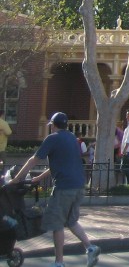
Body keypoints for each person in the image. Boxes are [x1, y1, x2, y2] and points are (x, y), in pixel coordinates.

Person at [9, 112, 100, 267]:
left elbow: (34, 159)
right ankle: (90, 247)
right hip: (79, 185)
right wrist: (38, 178)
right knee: (71, 221)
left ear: (53, 125)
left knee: (56, 224)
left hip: (64, 187)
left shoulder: (52, 138)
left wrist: (16, 179)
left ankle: (59, 262)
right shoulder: (71, 138)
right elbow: (62, 163)